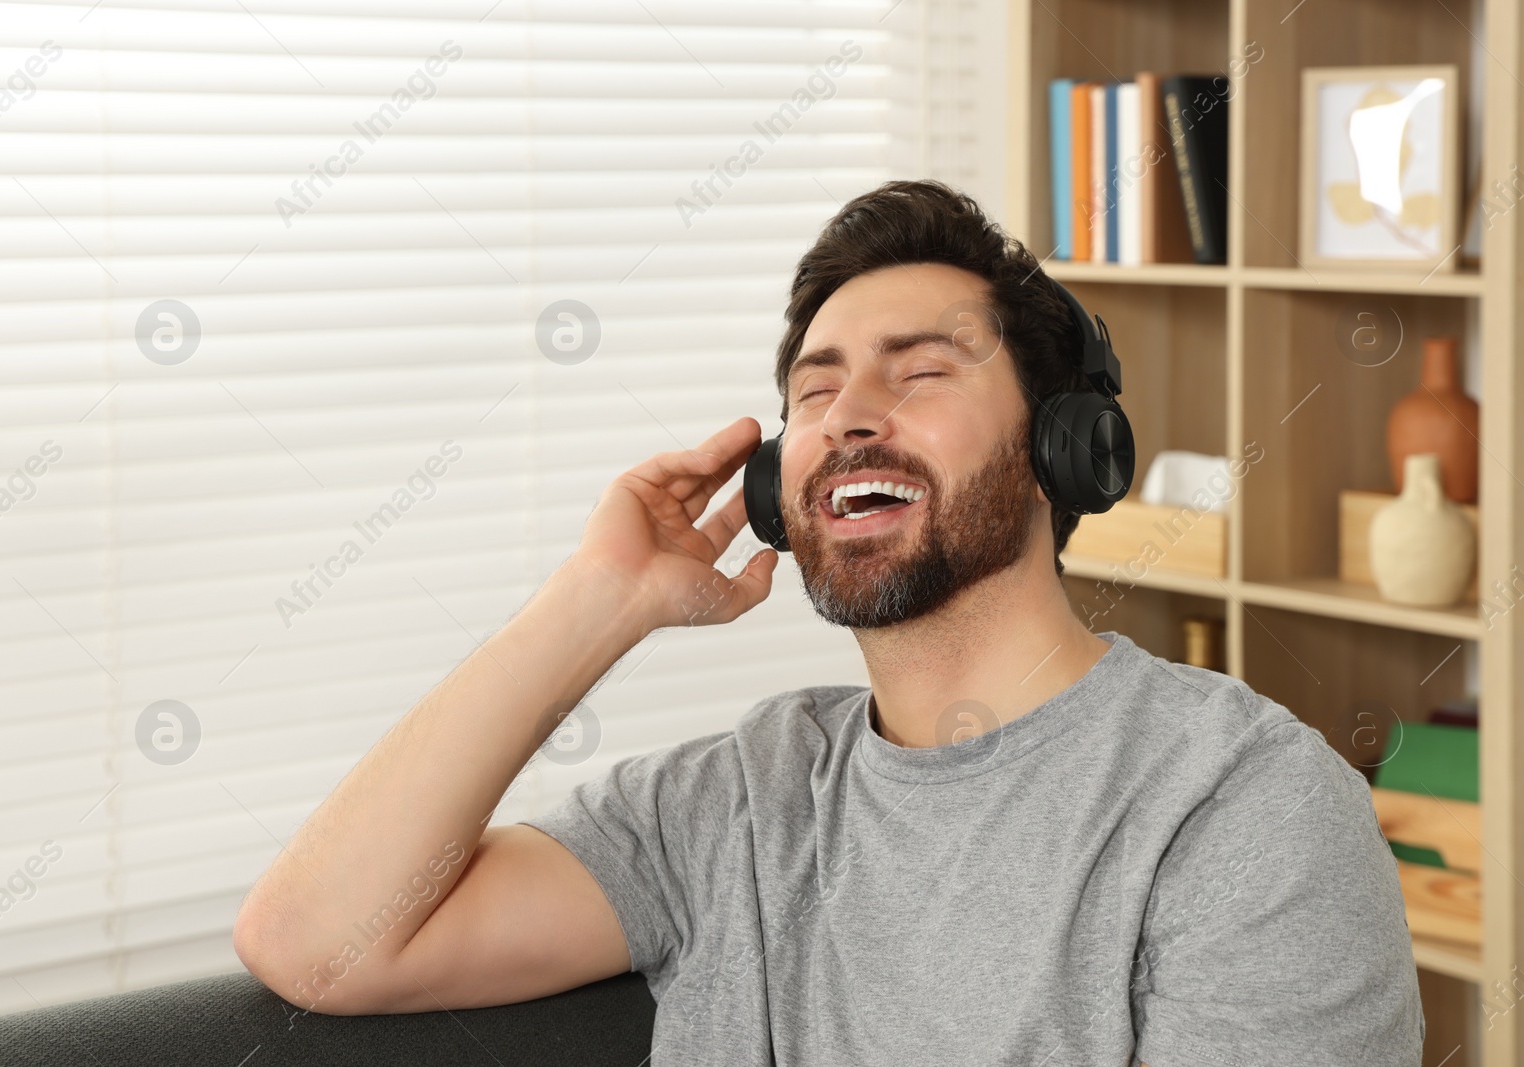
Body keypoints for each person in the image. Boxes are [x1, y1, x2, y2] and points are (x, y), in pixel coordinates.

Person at [233, 180, 1424, 1065]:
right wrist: (593, 604)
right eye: (814, 388)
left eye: (919, 372)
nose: (848, 413)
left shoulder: (1238, 807)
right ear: (773, 489)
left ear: (1064, 448)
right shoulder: (739, 804)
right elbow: (318, 941)